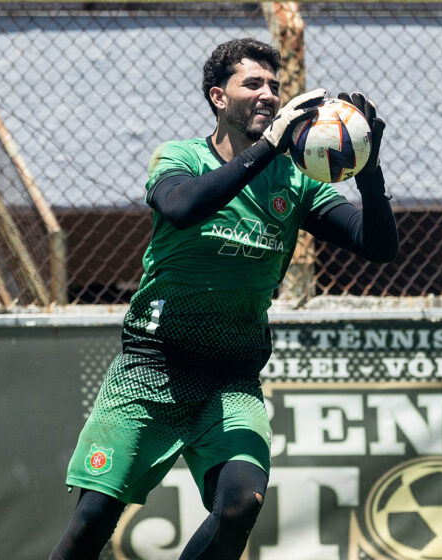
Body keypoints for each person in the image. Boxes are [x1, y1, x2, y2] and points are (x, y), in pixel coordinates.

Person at [50, 37, 398, 560]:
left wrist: (367, 170)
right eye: (252, 84)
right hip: (152, 369)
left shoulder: (295, 181)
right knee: (91, 522)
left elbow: (378, 246)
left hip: (231, 379)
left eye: (274, 87)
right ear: (218, 96)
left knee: (240, 503)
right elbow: (184, 207)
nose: (268, 95)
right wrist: (269, 147)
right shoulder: (180, 158)